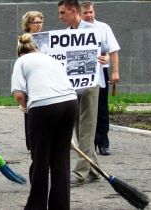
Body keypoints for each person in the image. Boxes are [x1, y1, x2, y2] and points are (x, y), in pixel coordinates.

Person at [11, 33, 77, 210]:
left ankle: (36, 207)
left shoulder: (21, 62)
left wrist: (25, 108)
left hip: (43, 107)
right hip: (70, 104)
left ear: (20, 52)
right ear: (36, 48)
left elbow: (19, 95)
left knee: (40, 159)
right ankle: (60, 206)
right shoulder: (51, 60)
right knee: (61, 160)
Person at [58, 0, 110, 186]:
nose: (60, 16)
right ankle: (94, 170)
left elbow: (107, 53)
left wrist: (106, 59)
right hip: (72, 87)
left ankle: (80, 173)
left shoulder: (93, 30)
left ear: (74, 11)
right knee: (79, 129)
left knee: (87, 129)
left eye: (63, 12)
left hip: (90, 85)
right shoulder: (64, 35)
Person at [80, 1, 120, 156]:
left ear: (94, 12)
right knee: (82, 110)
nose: (89, 15)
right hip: (81, 75)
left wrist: (114, 71)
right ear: (80, 13)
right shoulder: (75, 29)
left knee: (101, 109)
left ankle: (103, 143)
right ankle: (86, 145)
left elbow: (113, 50)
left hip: (100, 72)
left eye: (91, 12)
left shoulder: (104, 28)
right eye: (86, 13)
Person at [21, 11, 44, 151]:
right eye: (36, 22)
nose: (39, 25)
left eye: (40, 22)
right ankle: (31, 142)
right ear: (28, 24)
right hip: (30, 78)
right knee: (29, 110)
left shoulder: (45, 37)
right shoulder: (24, 39)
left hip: (43, 77)